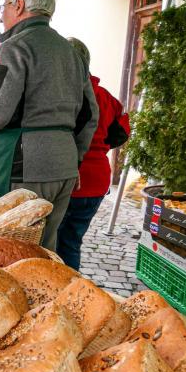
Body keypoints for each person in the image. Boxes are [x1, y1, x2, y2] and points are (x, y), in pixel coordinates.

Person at [0, 0, 98, 251]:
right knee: (46, 247)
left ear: (19, 5)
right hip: (63, 165)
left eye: (3, 7)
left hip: (25, 164)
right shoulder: (70, 50)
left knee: (12, 248)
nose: (1, 15)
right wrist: (75, 159)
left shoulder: (14, 47)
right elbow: (89, 115)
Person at [56, 38, 130, 270]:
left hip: (71, 179)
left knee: (55, 244)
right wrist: (100, 149)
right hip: (98, 179)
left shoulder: (63, 94)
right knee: (72, 242)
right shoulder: (106, 96)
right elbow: (121, 133)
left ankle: (59, 293)